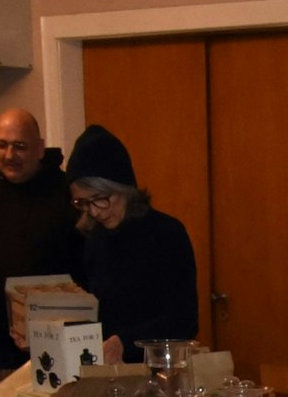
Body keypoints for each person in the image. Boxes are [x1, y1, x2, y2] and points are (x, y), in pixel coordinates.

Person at [0, 109, 84, 389]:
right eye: (2, 145)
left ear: (39, 148)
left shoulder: (67, 195)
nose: (9, 154)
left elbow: (85, 269)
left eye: (20, 146)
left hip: (52, 342)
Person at [66, 124, 199, 365]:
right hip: (110, 372)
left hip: (159, 371)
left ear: (123, 189)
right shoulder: (95, 241)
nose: (94, 211)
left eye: (101, 199)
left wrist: (124, 342)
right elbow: (94, 313)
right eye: (83, 203)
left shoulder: (166, 234)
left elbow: (184, 320)